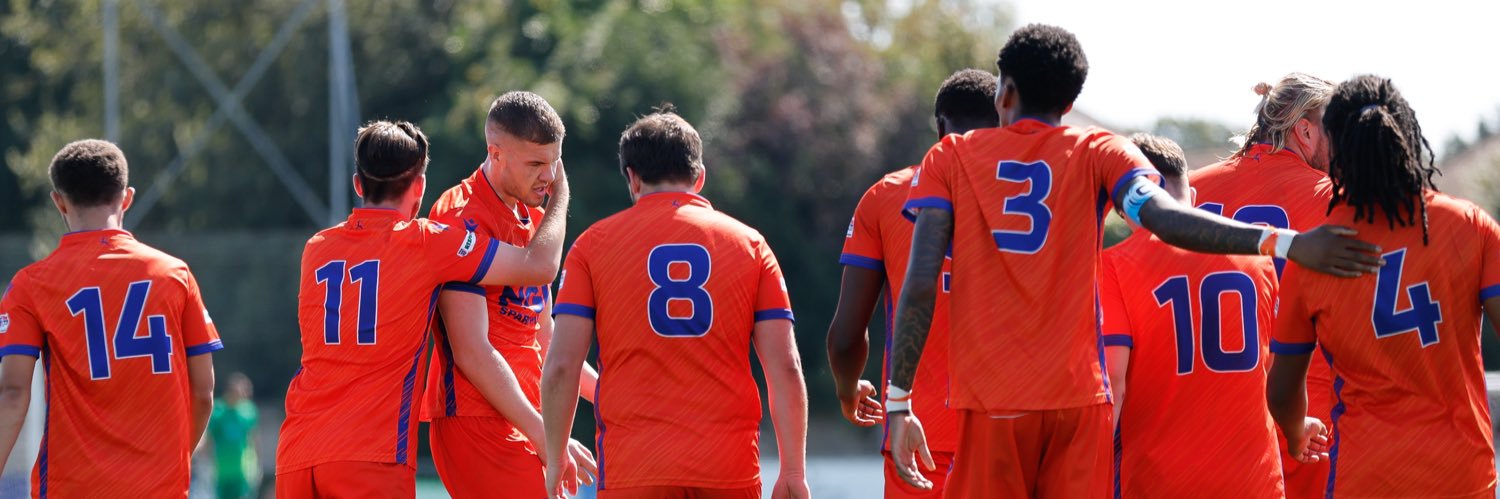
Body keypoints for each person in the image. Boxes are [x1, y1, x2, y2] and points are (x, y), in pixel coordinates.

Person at [886, 24, 1381, 497]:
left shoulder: (950, 157)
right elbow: (1166, 219)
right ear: (1071, 101)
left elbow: (922, 280)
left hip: (992, 400)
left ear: (1004, 93)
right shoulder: (1100, 149)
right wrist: (1284, 243)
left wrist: (900, 401)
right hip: (1080, 404)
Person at [275, 120, 574, 498]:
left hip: (297, 449)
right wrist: (560, 193)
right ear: (419, 187)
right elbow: (539, 265)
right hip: (371, 455)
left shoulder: (316, 247)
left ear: (357, 185)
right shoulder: (426, 243)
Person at [540, 109, 809, 499]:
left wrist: (556, 454)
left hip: (635, 464)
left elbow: (562, 366)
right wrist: (793, 471)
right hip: (727, 464)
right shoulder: (751, 246)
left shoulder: (592, 247)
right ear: (699, 177)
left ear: (632, 178)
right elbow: (786, 367)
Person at [1268, 75, 1500, 499]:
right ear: (1406, 133)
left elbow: (1281, 391)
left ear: (1337, 150)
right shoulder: (1469, 226)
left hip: (1366, 475)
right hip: (1462, 475)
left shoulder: (1314, 252)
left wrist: (1296, 432)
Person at [0, 139, 221, 497]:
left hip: (73, 487)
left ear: (59, 202)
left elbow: (13, 394)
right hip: (158, 487)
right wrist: (173, 461)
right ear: (127, 197)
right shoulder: (174, 275)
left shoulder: (32, 284)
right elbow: (203, 392)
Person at [1103, 134, 1305, 498]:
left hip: (1161, 481)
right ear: (1192, 197)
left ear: (1128, 205)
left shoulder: (1114, 265)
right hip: (1255, 481)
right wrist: (1297, 426)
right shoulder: (1256, 258)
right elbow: (1274, 371)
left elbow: (1114, 383)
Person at [826, 68, 996, 498]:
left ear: (940, 126)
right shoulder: (1036, 198)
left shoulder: (886, 196)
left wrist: (848, 391)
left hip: (919, 437)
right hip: (1016, 437)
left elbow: (846, 336)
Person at [423, 91, 597, 499]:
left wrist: (609, 397)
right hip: (474, 419)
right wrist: (546, 437)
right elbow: (473, 352)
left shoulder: (534, 216)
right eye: (536, 163)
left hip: (524, 419)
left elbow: (543, 334)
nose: (550, 177)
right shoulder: (459, 215)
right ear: (495, 154)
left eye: (555, 162)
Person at [1190, 73, 1338, 496]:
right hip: (1309, 409)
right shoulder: (1335, 195)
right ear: (1305, 130)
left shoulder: (1191, 190)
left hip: (1201, 406)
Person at [207, 373, 260, 499]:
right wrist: (207, 463)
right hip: (222, 471)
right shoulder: (218, 410)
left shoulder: (249, 411)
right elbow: (209, 439)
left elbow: (254, 439)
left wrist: (258, 465)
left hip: (243, 471)